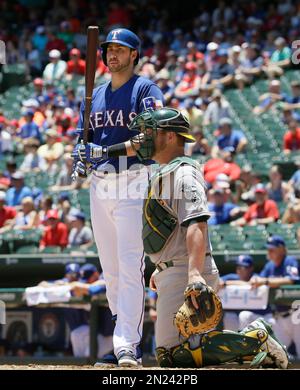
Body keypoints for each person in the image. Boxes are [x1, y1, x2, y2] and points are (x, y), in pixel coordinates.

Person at [124, 107, 288, 368]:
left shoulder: (185, 173)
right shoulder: (163, 171)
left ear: (168, 136)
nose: (143, 138)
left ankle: (256, 340)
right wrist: (161, 265)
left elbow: (196, 224)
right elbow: (172, 227)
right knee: (172, 356)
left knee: (176, 356)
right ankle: (255, 339)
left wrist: (194, 274)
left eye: (149, 132)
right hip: (172, 268)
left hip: (185, 270)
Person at [72, 28, 164, 367]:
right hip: (100, 185)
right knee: (110, 271)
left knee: (129, 266)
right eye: (109, 49)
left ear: (134, 54)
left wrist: (103, 150)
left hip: (133, 181)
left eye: (120, 49)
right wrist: (79, 154)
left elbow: (150, 135)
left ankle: (128, 346)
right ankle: (121, 338)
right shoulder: (94, 94)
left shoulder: (145, 88)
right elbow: (84, 137)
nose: (112, 54)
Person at [250, 236, 300, 358]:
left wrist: (266, 281)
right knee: (275, 356)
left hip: (296, 315)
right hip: (279, 317)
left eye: (272, 249)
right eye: (268, 249)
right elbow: (259, 280)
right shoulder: (269, 266)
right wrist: (256, 279)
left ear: (281, 249)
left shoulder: (289, 261)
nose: (269, 252)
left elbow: (291, 280)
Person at [69, 264, 114, 359]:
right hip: (99, 332)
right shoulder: (92, 282)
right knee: (77, 335)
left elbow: (100, 287)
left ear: (96, 274)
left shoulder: (105, 277)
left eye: (89, 279)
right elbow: (73, 290)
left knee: (90, 357)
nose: (87, 282)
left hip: (111, 334)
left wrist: (86, 288)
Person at [220, 255, 273, 331]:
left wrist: (226, 283)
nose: (239, 270)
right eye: (238, 267)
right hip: (243, 319)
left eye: (243, 268)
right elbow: (218, 282)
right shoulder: (233, 277)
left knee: (244, 315)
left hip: (261, 316)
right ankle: (231, 342)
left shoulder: (256, 277)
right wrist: (223, 283)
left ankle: (244, 341)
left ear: (251, 268)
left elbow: (250, 284)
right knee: (229, 316)